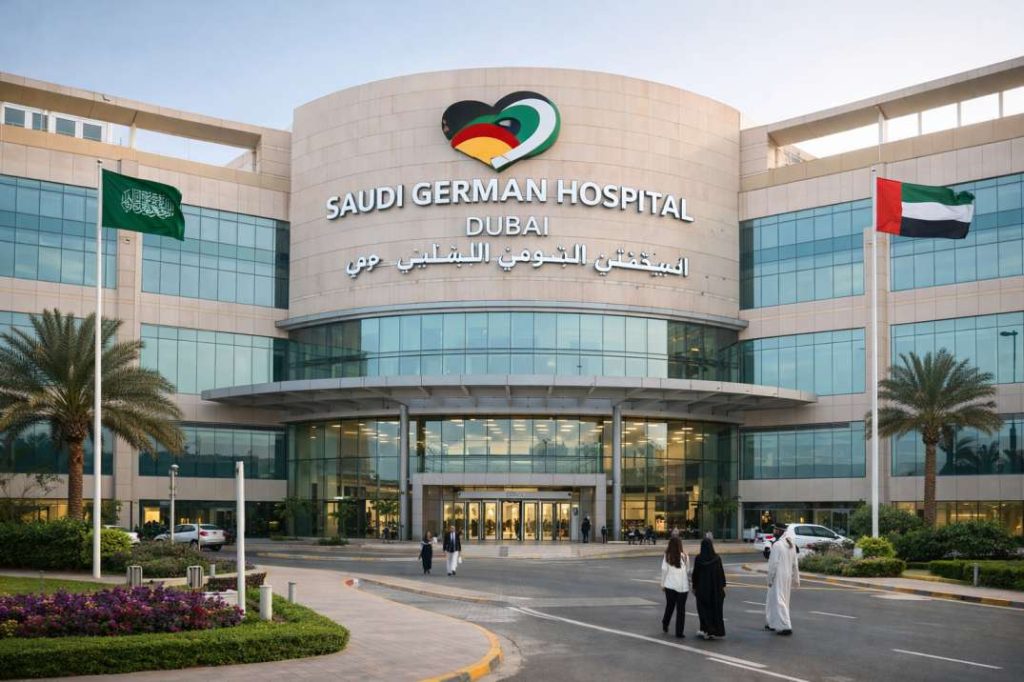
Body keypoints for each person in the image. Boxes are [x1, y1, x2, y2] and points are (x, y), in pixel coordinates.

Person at [765, 523, 800, 635]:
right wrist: (796, 579)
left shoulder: (777, 545)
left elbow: (773, 564)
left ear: (779, 531)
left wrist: (770, 579)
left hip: (778, 576)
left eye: (775, 529)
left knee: (779, 600)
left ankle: (786, 626)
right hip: (787, 575)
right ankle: (773, 623)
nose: (773, 531)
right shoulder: (791, 545)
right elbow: (795, 564)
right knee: (781, 600)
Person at [692, 536, 727, 640]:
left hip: (702, 589)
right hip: (715, 590)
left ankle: (706, 629)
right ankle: (715, 630)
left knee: (703, 610)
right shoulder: (717, 559)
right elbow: (721, 573)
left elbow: (695, 574)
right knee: (715, 610)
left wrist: (694, 586)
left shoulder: (699, 558)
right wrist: (722, 586)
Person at [660, 536, 690, 638]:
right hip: (683, 587)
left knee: (670, 606)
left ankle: (665, 622)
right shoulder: (685, 556)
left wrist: (662, 584)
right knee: (681, 610)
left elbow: (664, 570)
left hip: (670, 585)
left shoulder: (667, 556)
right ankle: (679, 632)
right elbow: (688, 571)